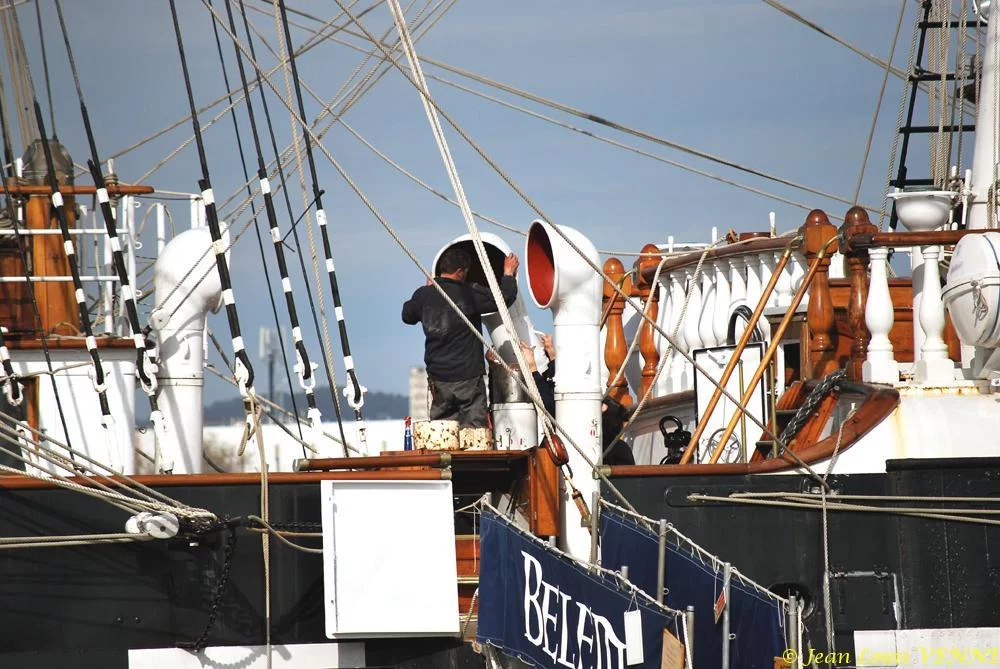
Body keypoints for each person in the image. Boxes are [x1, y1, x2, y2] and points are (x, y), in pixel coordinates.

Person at [402, 247, 519, 428]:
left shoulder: (424, 295)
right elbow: (504, 299)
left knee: (443, 430)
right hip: (468, 377)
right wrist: (508, 274)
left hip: (438, 378)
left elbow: (407, 316)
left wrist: (425, 291)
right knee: (474, 431)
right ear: (459, 271)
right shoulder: (468, 293)